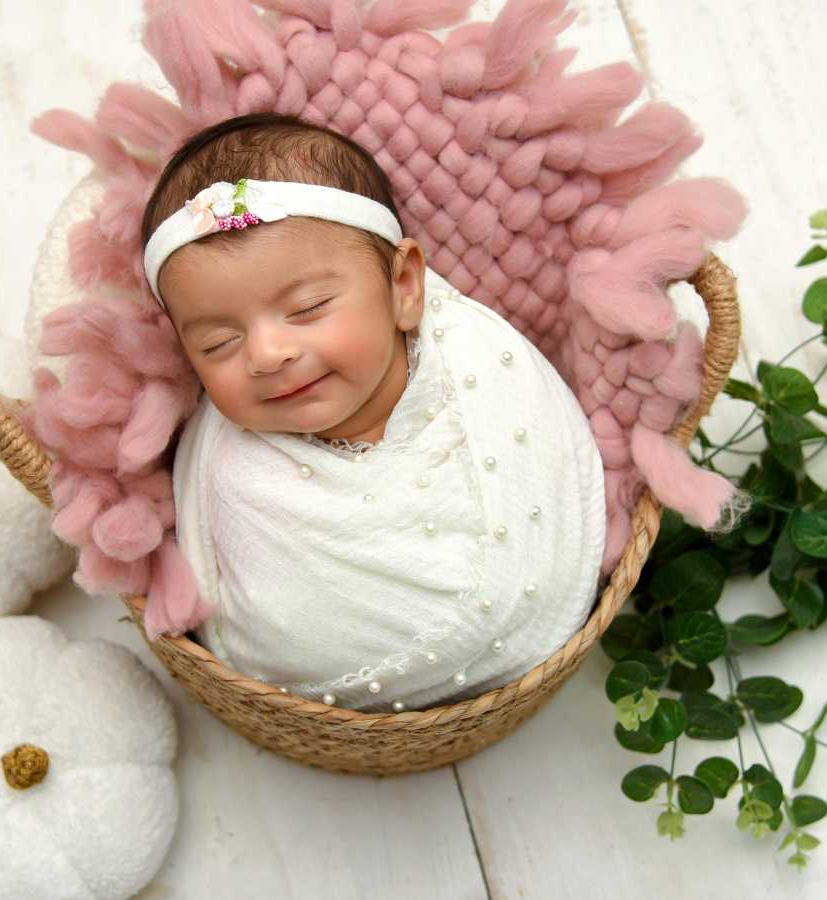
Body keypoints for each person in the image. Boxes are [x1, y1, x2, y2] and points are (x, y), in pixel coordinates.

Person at [142, 112, 606, 712]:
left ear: (405, 287)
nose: (266, 354)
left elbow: (538, 457)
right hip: (307, 698)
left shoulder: (472, 359)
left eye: (307, 308)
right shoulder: (233, 469)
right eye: (217, 344)